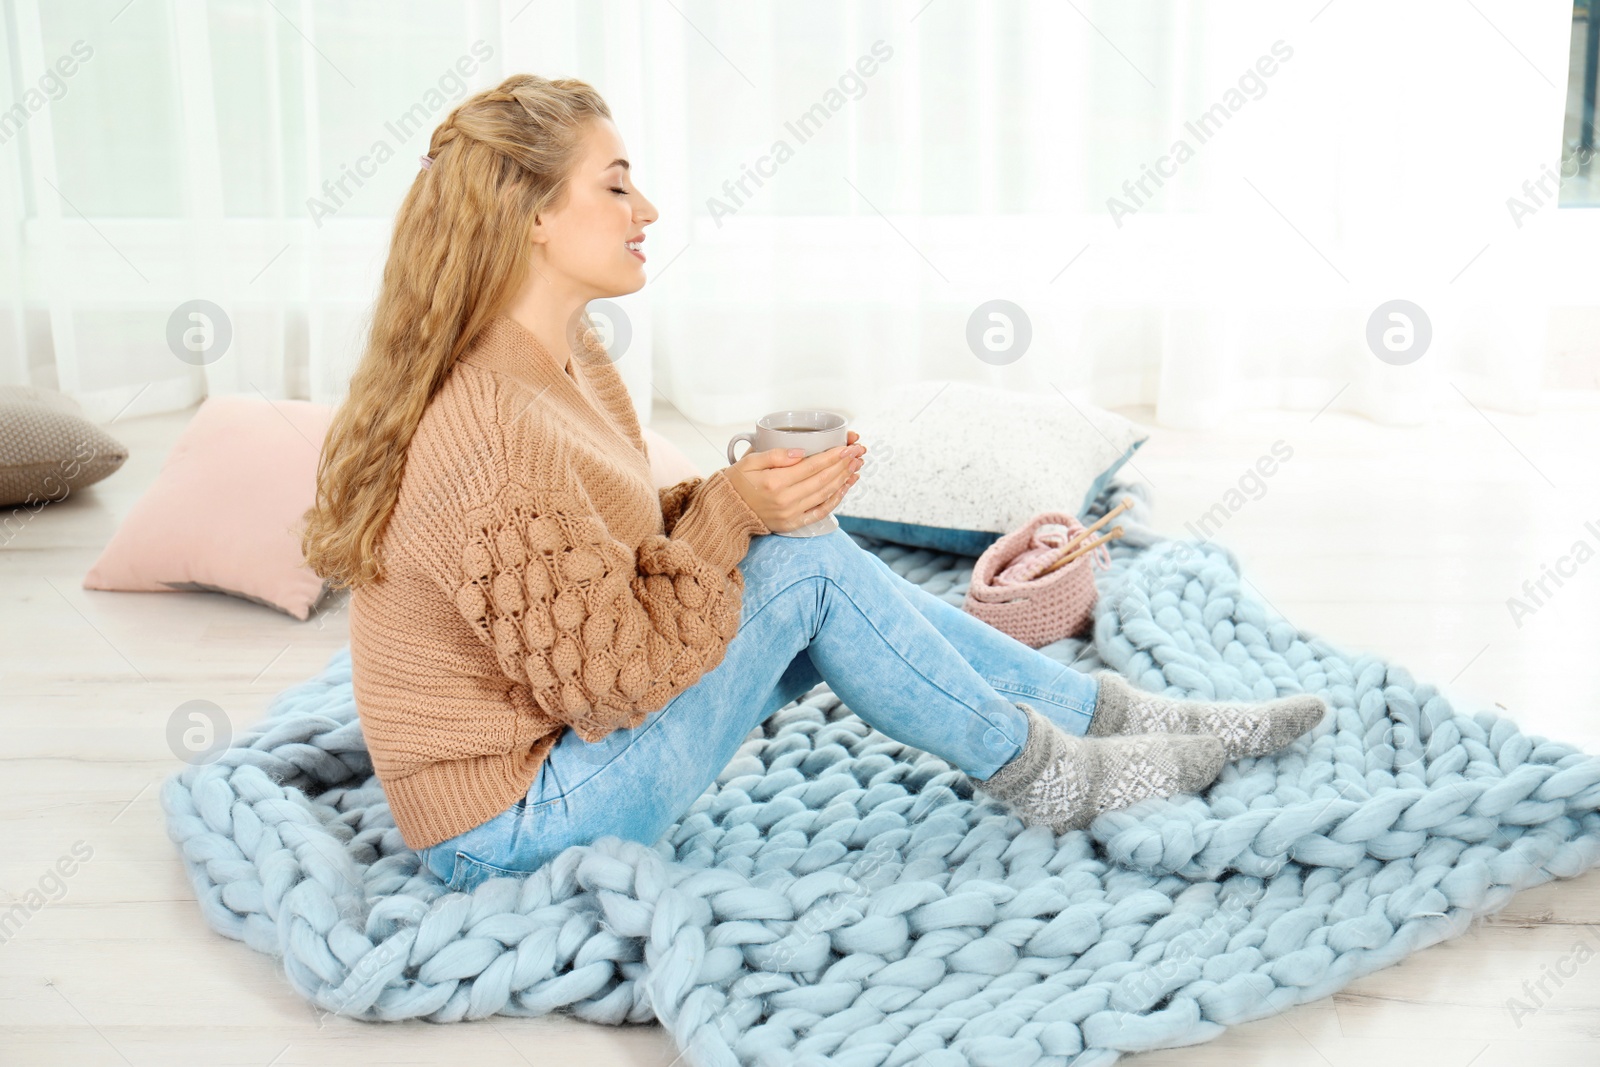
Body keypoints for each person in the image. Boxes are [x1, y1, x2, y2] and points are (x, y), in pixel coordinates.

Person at [300, 74, 1326, 894]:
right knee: (800, 571)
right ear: (527, 214)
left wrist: (742, 500)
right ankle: (1056, 769)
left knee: (803, 555)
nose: (646, 206)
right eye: (614, 183)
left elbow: (600, 552)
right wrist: (738, 516)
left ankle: (1103, 718)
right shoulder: (489, 429)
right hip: (509, 827)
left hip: (566, 757)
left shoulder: (568, 357)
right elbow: (604, 684)